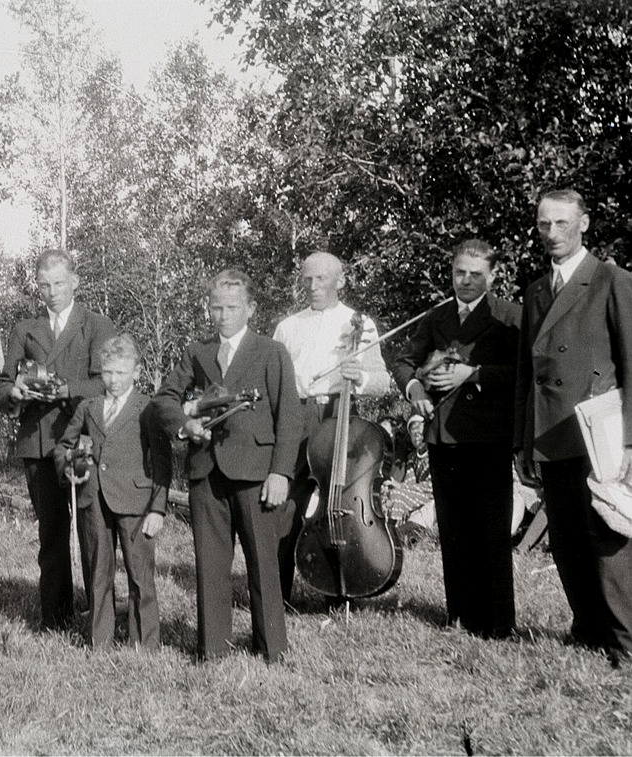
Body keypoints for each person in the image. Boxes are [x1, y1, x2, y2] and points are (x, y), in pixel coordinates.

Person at [155, 269, 302, 662]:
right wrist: (184, 424)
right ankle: (212, 649)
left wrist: (280, 472)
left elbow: (288, 415)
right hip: (205, 471)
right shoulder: (197, 351)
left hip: (257, 473)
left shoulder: (271, 352)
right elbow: (163, 399)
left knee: (263, 563)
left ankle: (272, 649)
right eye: (216, 307)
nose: (223, 315)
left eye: (232, 308)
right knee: (210, 562)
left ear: (251, 309)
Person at [514, 189, 632, 658]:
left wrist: (630, 442)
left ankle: (625, 642)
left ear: (584, 223)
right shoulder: (536, 291)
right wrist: (524, 443)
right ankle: (588, 630)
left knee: (608, 537)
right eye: (544, 224)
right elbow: (528, 374)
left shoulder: (611, 280)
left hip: (600, 435)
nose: (552, 234)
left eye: (562, 224)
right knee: (566, 539)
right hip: (552, 433)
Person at [393, 239, 521, 638]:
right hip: (442, 436)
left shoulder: (509, 317)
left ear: (493, 275)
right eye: (459, 273)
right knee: (453, 528)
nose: (465, 281)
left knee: (491, 530)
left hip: (488, 436)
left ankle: (498, 623)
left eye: (475, 274)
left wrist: (474, 374)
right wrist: (415, 391)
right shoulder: (438, 316)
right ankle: (459, 615)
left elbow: (523, 373)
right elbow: (403, 360)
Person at [0, 249, 116, 630]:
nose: (52, 292)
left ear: (75, 282)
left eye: (59, 283)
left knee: (93, 531)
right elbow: (0, 385)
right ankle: (56, 617)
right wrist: (13, 393)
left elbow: (105, 382)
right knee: (51, 533)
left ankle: (100, 616)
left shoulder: (96, 325)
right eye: (44, 285)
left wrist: (64, 390)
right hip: (39, 443)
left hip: (81, 440)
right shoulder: (24, 329)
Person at [272, 251, 392, 605]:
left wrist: (362, 377)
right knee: (286, 506)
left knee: (338, 502)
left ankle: (339, 589)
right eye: (307, 279)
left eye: (321, 279)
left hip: (339, 415)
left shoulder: (359, 322)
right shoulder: (287, 326)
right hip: (296, 415)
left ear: (340, 281)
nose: (312, 286)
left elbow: (383, 381)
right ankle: (276, 595)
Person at [54, 334, 171, 650]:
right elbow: (64, 445)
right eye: (107, 372)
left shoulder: (148, 408)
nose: (113, 380)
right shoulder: (88, 406)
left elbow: (162, 462)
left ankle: (144, 645)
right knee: (97, 574)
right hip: (93, 501)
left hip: (136, 503)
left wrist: (157, 509)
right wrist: (68, 465)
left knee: (140, 576)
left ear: (136, 371)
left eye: (121, 372)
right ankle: (100, 642)